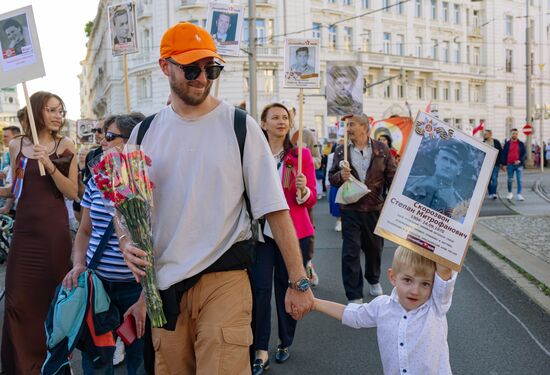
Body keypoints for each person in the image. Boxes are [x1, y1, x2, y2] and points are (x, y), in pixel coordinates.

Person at [120, 22, 314, 374]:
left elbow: (276, 209)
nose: (201, 78)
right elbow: (125, 203)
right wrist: (124, 241)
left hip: (224, 279)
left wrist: (299, 281)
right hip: (164, 287)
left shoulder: (240, 127)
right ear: (165, 66)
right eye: (191, 68)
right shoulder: (144, 132)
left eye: (211, 69)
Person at [0, 91, 78, 374]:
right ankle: (23, 367)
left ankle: (52, 363)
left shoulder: (65, 145)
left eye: (61, 110)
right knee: (16, 302)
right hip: (24, 233)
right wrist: (4, 196)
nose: (59, 116)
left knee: (51, 300)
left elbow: (72, 192)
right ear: (36, 112)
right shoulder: (17, 145)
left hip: (53, 234)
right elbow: (16, 188)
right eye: (52, 110)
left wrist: (49, 166)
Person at [63, 114, 146, 374]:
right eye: (102, 134)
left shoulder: (146, 182)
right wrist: (78, 264)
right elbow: (85, 231)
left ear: (131, 141)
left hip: (135, 287)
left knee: (139, 360)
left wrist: (146, 297)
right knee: (97, 360)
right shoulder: (96, 181)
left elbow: (159, 243)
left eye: (109, 136)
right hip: (98, 285)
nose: (103, 142)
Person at [313, 246, 456, 375]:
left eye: (425, 284)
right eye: (407, 280)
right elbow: (354, 315)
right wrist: (315, 303)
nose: (415, 291)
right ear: (393, 277)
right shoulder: (382, 306)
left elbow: (445, 269)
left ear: (434, 285)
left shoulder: (435, 306)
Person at [252, 103, 317, 374]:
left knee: (287, 288)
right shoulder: (254, 154)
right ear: (263, 124)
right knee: (260, 290)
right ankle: (260, 348)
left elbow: (310, 197)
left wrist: (302, 190)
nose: (281, 122)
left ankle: (285, 341)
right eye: (274, 117)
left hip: (293, 232)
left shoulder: (300, 155)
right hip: (259, 235)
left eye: (285, 118)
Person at [328, 114, 396, 302]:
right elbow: (332, 178)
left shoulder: (382, 149)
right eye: (347, 125)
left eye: (352, 125)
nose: (347, 128)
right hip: (350, 210)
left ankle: (373, 279)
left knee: (374, 250)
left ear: (364, 127)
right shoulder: (341, 150)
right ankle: (354, 295)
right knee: (350, 252)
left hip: (374, 208)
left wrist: (394, 201)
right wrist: (341, 176)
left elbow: (392, 175)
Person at [403, 138, 466, 221]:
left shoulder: (459, 205)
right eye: (444, 159)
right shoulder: (409, 182)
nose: (447, 165)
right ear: (436, 159)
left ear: (459, 170)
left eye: (453, 162)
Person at [501, 128, 526, 201]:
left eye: (516, 133)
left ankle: (519, 194)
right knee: (509, 180)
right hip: (510, 164)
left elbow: (524, 154)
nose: (514, 135)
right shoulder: (507, 144)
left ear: (517, 134)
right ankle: (510, 193)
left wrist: (520, 160)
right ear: (511, 134)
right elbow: (504, 154)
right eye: (513, 133)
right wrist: (503, 164)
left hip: (519, 165)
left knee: (519, 180)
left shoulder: (521, 144)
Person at [326, 138, 345, 232]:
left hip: (348, 182)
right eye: (339, 144)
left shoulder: (350, 153)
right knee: (336, 202)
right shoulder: (331, 156)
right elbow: (329, 170)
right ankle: (338, 221)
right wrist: (327, 182)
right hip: (336, 182)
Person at [483, 129, 503, 200]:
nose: (484, 135)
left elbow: (500, 152)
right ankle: (491, 193)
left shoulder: (496, 142)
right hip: (486, 164)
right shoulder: (483, 143)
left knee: (494, 178)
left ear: (490, 134)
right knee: (488, 180)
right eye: (484, 134)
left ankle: (494, 193)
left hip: (495, 164)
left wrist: (501, 163)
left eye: (486, 134)